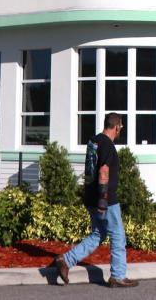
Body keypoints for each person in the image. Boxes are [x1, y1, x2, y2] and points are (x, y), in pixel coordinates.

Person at [52, 113, 139, 288]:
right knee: (118, 236)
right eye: (121, 127)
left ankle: (65, 260)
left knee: (98, 234)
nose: (120, 129)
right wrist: (103, 200)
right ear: (117, 126)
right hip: (105, 199)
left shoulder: (94, 141)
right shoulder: (107, 145)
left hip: (90, 196)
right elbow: (103, 172)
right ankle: (118, 276)